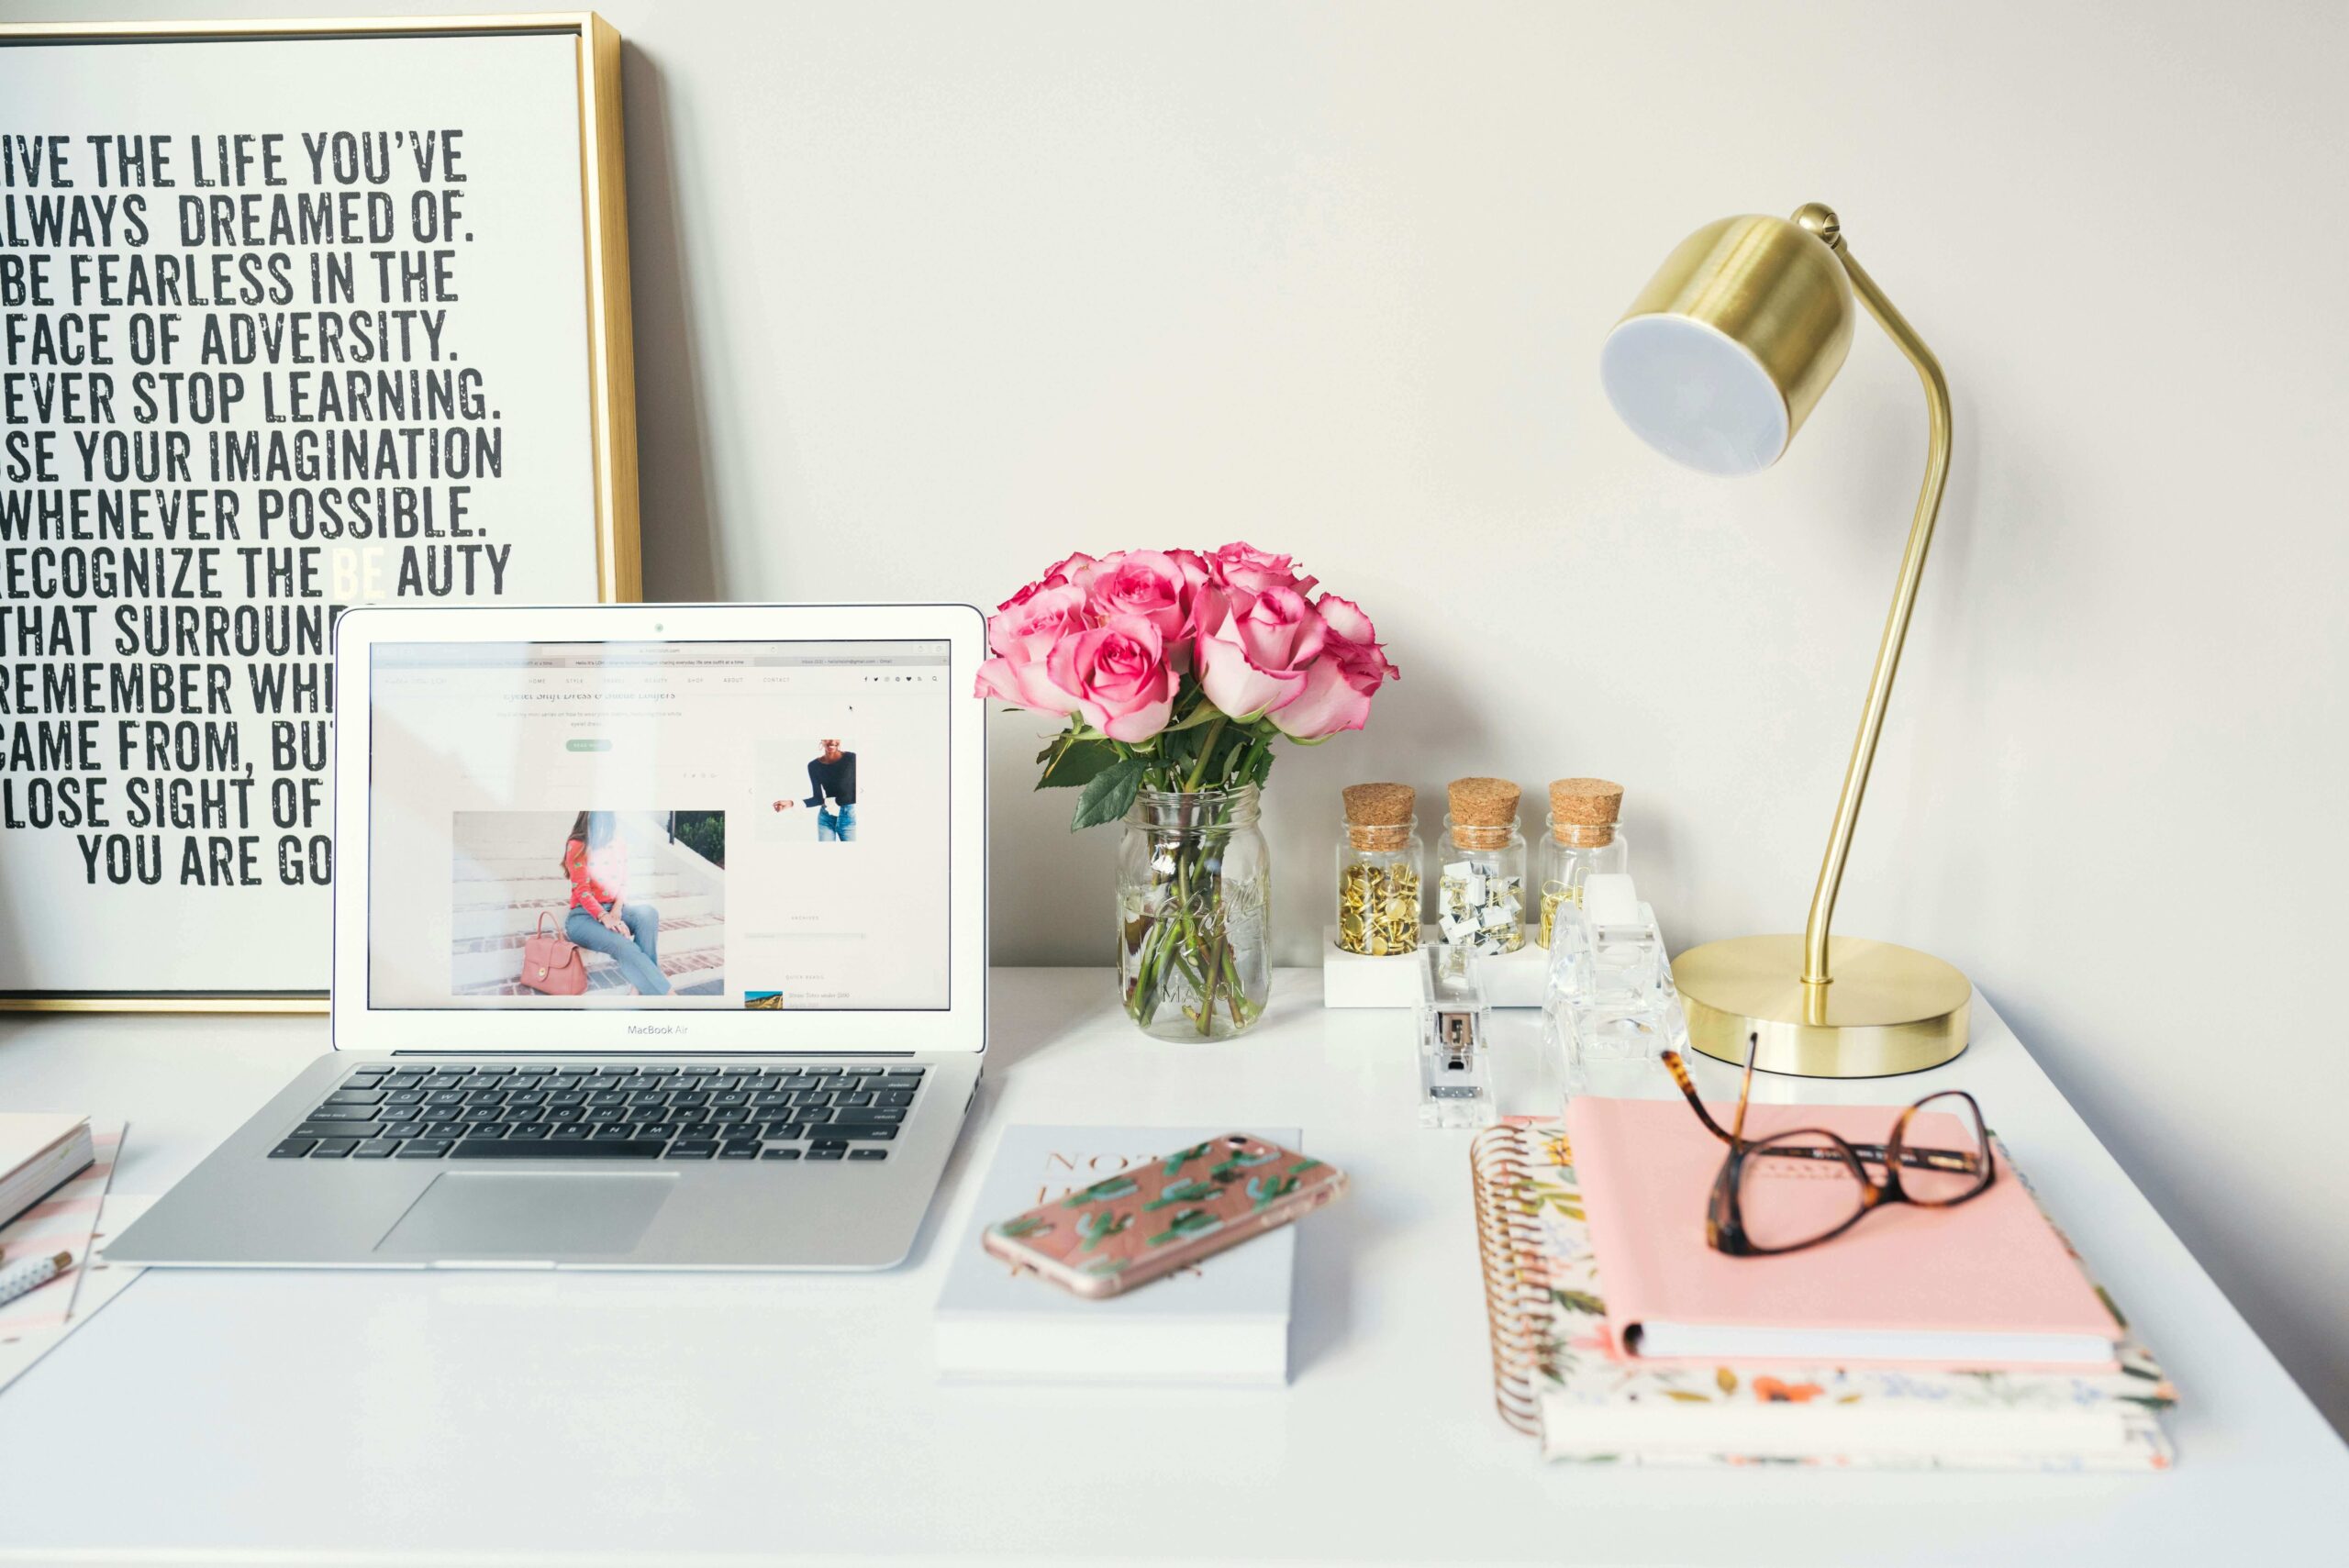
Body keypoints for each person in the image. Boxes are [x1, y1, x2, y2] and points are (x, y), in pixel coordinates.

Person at [560, 810, 671, 995]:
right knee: (623, 944)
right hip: (582, 917)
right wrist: (604, 916)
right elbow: (582, 891)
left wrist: (616, 910)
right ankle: (670, 998)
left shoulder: (618, 844)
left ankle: (638, 987)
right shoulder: (577, 845)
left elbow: (624, 882)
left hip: (613, 908)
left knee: (648, 913)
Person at [773, 739, 857, 841]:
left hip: (849, 817)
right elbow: (817, 799)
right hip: (826, 818)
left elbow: (858, 790)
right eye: (827, 737)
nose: (832, 741)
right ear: (822, 740)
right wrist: (791, 803)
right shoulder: (814, 765)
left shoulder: (852, 759)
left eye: (835, 737)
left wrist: (838, 801)